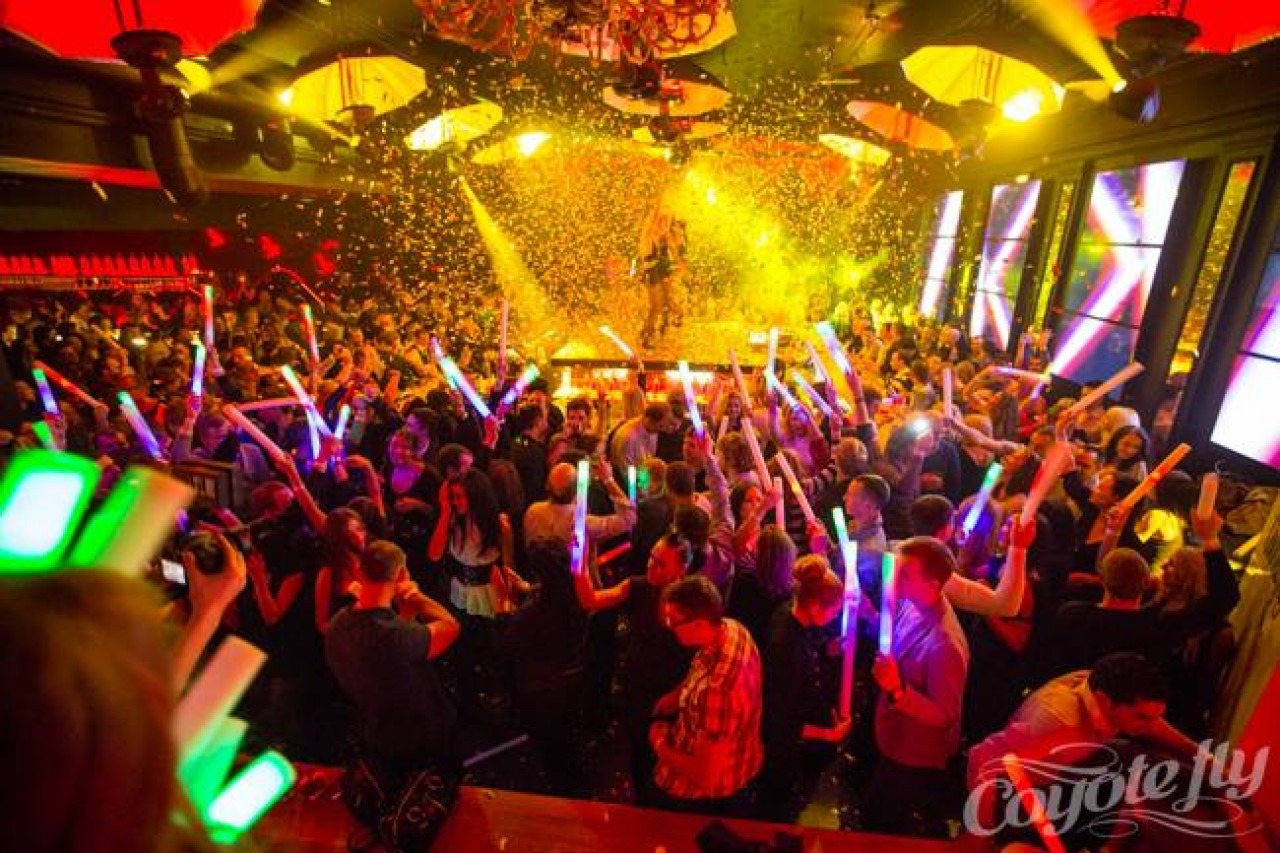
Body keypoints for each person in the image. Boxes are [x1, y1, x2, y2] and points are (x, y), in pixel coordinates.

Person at [324, 541, 462, 821]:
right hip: (423, 736)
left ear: (359, 572)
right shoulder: (399, 636)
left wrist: (404, 610)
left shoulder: (337, 625)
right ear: (400, 574)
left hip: (377, 731)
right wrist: (415, 596)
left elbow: (393, 643)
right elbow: (450, 627)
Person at [865, 536, 970, 836]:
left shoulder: (946, 645)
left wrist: (898, 690)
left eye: (905, 574)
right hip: (894, 735)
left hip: (913, 755)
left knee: (886, 824)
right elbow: (894, 636)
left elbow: (945, 715)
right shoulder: (913, 603)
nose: (894, 579)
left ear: (933, 584)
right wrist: (868, 614)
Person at [649, 575, 763, 816]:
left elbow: (706, 777)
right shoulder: (732, 628)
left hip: (703, 797)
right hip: (741, 758)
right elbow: (703, 664)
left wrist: (660, 745)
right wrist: (677, 695)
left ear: (699, 624)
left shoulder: (717, 691)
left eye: (673, 621)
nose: (668, 626)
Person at [759, 555, 851, 822]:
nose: (836, 615)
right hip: (783, 752)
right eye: (834, 610)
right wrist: (829, 735)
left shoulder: (788, 611)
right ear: (814, 606)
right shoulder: (785, 647)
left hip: (794, 737)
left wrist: (825, 649)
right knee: (779, 808)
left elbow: (805, 646)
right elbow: (779, 722)